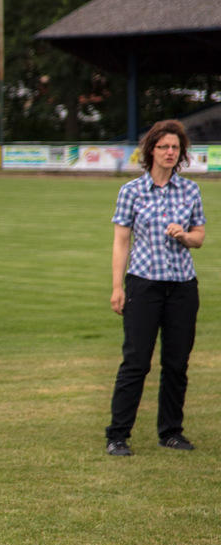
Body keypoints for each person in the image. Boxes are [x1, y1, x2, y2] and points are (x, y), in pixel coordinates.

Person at [105, 119, 207, 456]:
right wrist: (117, 287)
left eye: (175, 147)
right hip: (143, 285)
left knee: (177, 363)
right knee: (136, 362)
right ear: (151, 151)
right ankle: (117, 435)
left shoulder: (190, 191)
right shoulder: (131, 191)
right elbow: (121, 242)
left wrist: (185, 236)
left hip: (182, 287)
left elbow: (199, 237)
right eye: (163, 147)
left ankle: (171, 432)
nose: (169, 152)